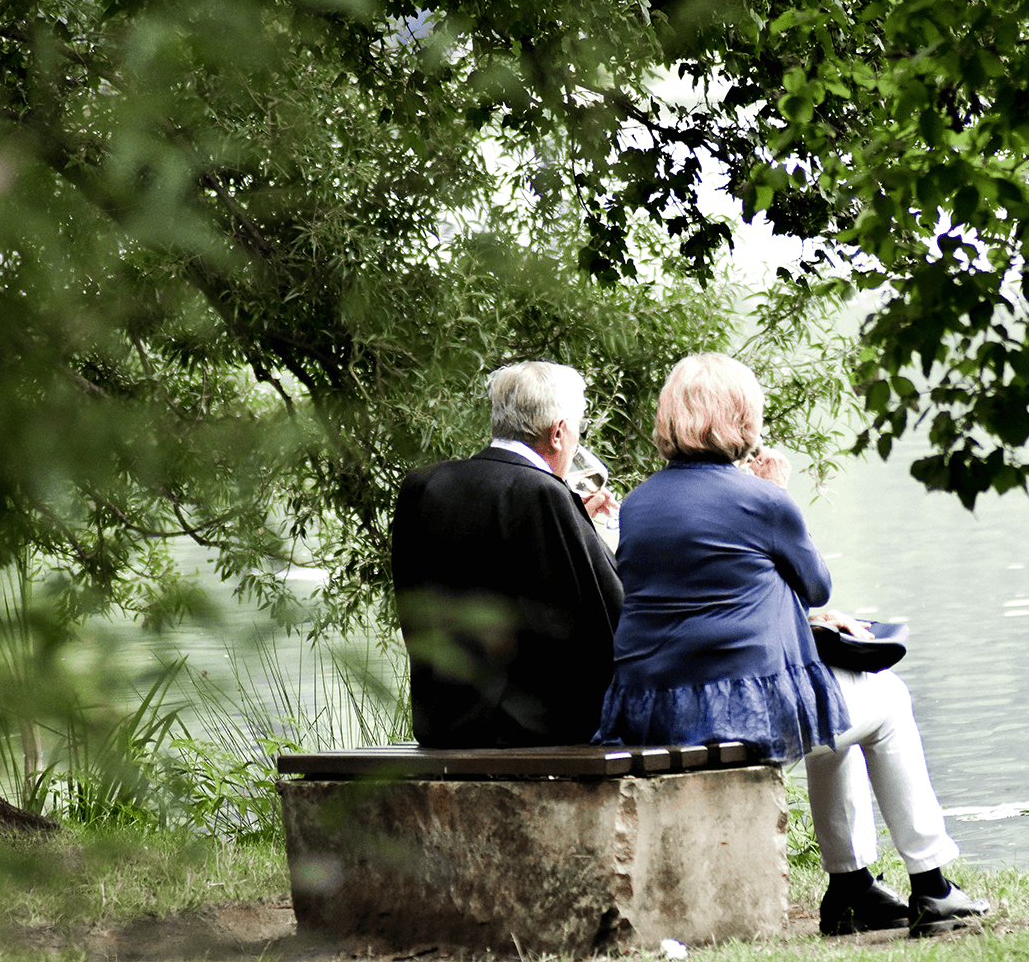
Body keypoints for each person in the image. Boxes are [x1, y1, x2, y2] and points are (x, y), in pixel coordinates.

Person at [595, 352, 990, 938]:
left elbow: (711, 590)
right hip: (736, 714)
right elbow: (816, 584)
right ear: (741, 418)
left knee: (836, 716)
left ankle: (852, 888)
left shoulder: (639, 504)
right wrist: (777, 492)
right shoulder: (762, 500)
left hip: (653, 710)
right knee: (888, 700)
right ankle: (932, 885)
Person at [391, 361, 622, 748]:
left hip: (441, 724)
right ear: (558, 433)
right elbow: (606, 616)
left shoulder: (422, 486)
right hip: (530, 732)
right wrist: (594, 535)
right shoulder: (544, 494)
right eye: (579, 429)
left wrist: (574, 520)